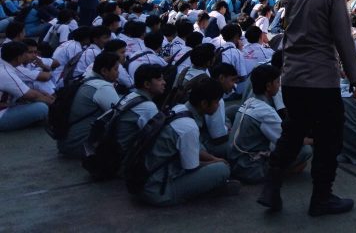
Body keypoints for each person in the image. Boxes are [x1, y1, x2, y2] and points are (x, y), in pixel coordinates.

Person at [258, 0, 356, 217]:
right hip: (321, 78)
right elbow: (343, 38)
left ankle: (271, 186)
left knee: (292, 133)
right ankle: (321, 198)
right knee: (329, 139)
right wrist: (355, 75)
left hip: (292, 77)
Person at [137, 77, 240, 206]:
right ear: (203, 104)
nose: (218, 105)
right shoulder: (189, 127)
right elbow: (191, 167)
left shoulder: (179, 108)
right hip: (158, 190)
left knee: (214, 159)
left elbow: (196, 149)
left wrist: (213, 158)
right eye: (216, 102)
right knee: (222, 170)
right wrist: (215, 162)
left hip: (144, 179)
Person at [229, 64, 311, 183]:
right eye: (277, 82)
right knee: (305, 150)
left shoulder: (250, 101)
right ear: (268, 86)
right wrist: (314, 140)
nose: (279, 85)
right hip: (249, 167)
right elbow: (287, 141)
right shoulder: (265, 111)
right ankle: (279, 173)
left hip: (237, 161)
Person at [57, 51, 121, 157]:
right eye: (115, 69)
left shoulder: (85, 79)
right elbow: (120, 115)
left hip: (65, 144)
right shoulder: (102, 87)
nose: (118, 73)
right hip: (81, 147)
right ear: (104, 71)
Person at [0, 41, 53, 131]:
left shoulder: (6, 65)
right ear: (19, 57)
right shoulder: (6, 72)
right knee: (41, 108)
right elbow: (31, 95)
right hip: (2, 115)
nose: (27, 56)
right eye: (25, 54)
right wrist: (52, 102)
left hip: (6, 105)